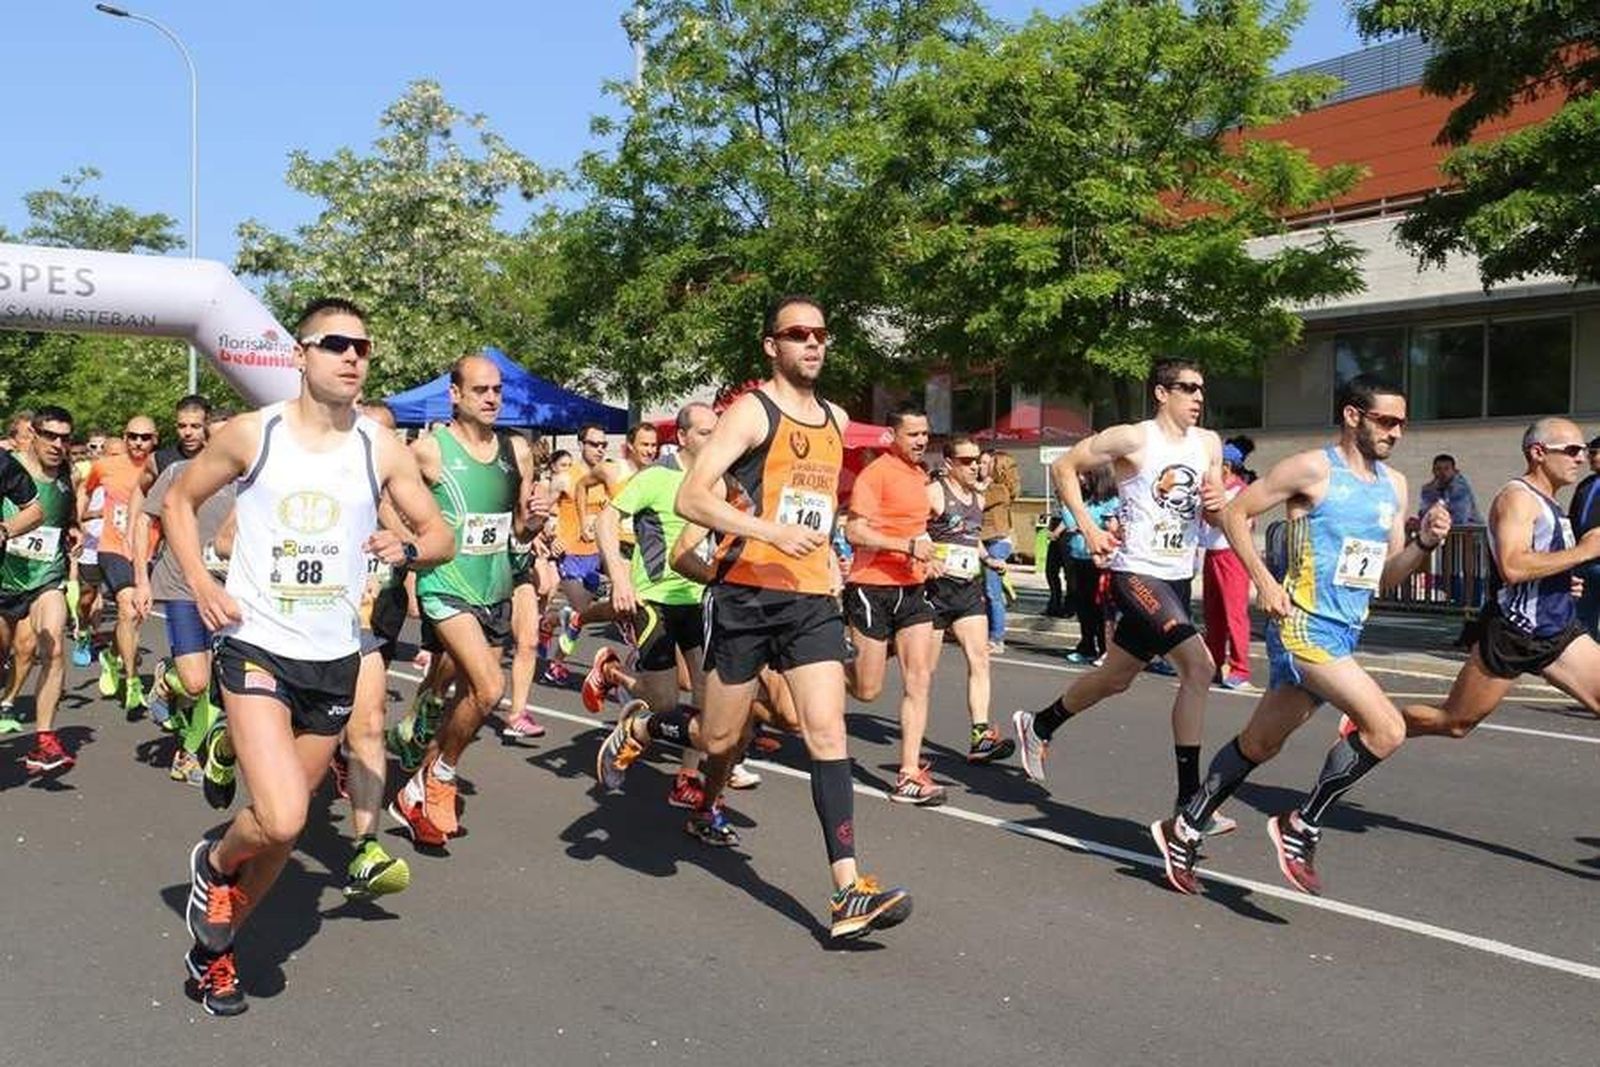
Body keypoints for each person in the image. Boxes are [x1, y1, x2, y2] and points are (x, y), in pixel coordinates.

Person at [163, 297, 451, 1016]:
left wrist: (409, 547)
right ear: (300, 353)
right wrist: (200, 583)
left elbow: (440, 531)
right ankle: (212, 861)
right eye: (335, 344)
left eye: (362, 346)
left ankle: (213, 956)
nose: (352, 356)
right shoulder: (251, 433)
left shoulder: (379, 445)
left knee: (281, 840)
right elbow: (177, 501)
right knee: (286, 815)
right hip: (259, 643)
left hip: (335, 657)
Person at [1149, 375, 1450, 896]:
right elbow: (1236, 514)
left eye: (1402, 422)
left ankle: (1185, 826)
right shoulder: (1313, 468)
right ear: (1353, 416)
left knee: (1260, 743)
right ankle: (1300, 825)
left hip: (1345, 630)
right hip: (1304, 625)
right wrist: (1263, 581)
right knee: (1386, 729)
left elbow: (1387, 577)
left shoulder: (1395, 486)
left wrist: (1423, 544)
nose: (1396, 432)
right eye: (1386, 420)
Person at [675, 293, 912, 941]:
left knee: (827, 731)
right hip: (745, 594)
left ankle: (847, 890)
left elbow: (815, 504)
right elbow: (691, 496)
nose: (813, 343)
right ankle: (656, 733)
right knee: (719, 738)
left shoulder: (835, 418)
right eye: (797, 333)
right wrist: (765, 531)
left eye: (820, 333)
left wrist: (829, 562)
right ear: (771, 346)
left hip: (809, 598)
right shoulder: (751, 412)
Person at [1013, 359, 1228, 824]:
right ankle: (1190, 806)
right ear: (1161, 393)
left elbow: (1210, 517)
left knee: (1116, 678)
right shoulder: (1134, 438)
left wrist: (1218, 505)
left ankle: (1039, 724)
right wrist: (1088, 530)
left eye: (1201, 389)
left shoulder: (1209, 444)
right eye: (1187, 388)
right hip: (1137, 575)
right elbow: (1066, 468)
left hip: (1175, 577)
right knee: (1199, 665)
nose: (1197, 398)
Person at [389, 353, 538, 850]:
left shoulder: (515, 451)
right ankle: (441, 776)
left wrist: (535, 520)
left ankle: (419, 783)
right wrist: (411, 552)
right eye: (481, 390)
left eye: (497, 390)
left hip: (494, 585)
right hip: (445, 584)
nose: (492, 398)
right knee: (490, 688)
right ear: (455, 394)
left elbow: (518, 528)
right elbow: (386, 499)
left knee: (466, 695)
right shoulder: (430, 450)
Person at [1399, 419, 1600, 741]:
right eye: (1573, 450)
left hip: (1558, 629)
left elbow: (1539, 562)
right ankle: (1376, 722)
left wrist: (1563, 580)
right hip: (1515, 632)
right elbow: (1513, 566)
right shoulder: (1518, 498)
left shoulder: (1551, 502)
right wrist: (1584, 551)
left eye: (1584, 451)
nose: (1581, 458)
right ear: (1538, 452)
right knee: (1454, 722)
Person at [841, 403, 947, 804]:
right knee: (866, 690)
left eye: (924, 434)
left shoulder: (919, 476)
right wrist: (907, 546)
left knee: (919, 678)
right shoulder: (876, 473)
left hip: (913, 589)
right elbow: (854, 530)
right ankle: (818, 671)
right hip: (871, 586)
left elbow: (916, 531)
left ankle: (908, 772)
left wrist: (928, 557)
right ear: (893, 436)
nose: (921, 441)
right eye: (913, 434)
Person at [132, 419, 234, 786]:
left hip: (231, 591)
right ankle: (167, 678)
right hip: (182, 587)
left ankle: (187, 755)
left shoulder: (254, 482)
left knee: (218, 683)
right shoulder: (180, 472)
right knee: (194, 682)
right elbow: (145, 519)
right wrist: (141, 580)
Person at [925, 433, 1015, 764]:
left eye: (977, 460)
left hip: (965, 590)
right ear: (949, 463)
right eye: (966, 461)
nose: (974, 466)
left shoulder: (978, 498)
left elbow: (969, 537)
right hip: (934, 591)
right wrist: (924, 557)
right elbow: (909, 528)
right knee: (923, 672)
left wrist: (988, 559)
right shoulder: (934, 493)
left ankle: (980, 737)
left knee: (980, 659)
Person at [0, 408, 76, 769]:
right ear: (33, 433)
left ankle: (44, 740)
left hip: (45, 578)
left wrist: (73, 531)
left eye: (65, 438)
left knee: (54, 648)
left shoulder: (66, 476)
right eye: (51, 436)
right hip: (4, 580)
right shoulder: (8, 465)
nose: (58, 445)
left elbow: (65, 517)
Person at [80, 414, 158, 713]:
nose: (138, 442)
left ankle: (112, 657)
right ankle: (133, 679)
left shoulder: (161, 467)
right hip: (113, 547)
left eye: (145, 437)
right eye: (133, 436)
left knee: (134, 617)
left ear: (155, 440)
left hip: (147, 551)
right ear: (124, 438)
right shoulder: (105, 465)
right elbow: (84, 490)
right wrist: (78, 523)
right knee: (127, 607)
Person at [542, 423, 612, 680]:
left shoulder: (607, 477)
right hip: (570, 553)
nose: (600, 449)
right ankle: (556, 663)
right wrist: (550, 534)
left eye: (604, 444)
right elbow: (543, 511)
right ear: (581, 444)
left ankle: (548, 621)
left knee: (581, 614)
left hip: (596, 554)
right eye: (595, 444)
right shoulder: (565, 478)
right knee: (581, 613)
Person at [1202, 441, 1253, 689]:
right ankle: (1214, 664)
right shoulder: (1211, 489)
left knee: (1234, 615)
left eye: (1215, 464)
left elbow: (1244, 525)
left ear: (1227, 467)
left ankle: (1240, 669)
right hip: (1211, 555)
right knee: (1213, 615)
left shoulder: (1241, 492)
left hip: (1233, 556)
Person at [1059, 465, 1118, 665]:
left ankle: (1105, 647)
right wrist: (1091, 527)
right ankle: (1086, 645)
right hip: (1077, 556)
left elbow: (1112, 527)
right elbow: (1070, 522)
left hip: (1100, 561)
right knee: (1082, 604)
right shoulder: (1075, 500)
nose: (1081, 479)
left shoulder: (1110, 501)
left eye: (1084, 475)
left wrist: (1087, 527)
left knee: (1100, 606)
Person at [979, 450, 1018, 653]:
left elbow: (977, 503)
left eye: (987, 463)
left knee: (992, 593)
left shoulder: (998, 489)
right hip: (988, 542)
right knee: (987, 592)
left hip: (996, 542)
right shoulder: (990, 487)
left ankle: (996, 638)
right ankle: (988, 633)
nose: (980, 466)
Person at [1568, 435, 1600, 640]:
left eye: (1595, 453)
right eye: (1591, 453)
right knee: (1583, 617)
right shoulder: (1586, 485)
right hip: (1584, 561)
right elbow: (1573, 518)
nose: (1590, 457)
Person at [153, 394, 211, 474]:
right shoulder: (160, 459)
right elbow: (141, 486)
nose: (187, 433)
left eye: (195, 426)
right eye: (182, 426)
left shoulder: (220, 458)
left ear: (207, 425)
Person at [1418, 453, 1482, 526]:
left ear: (1455, 471)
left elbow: (1459, 518)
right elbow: (1424, 513)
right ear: (1433, 471)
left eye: (1446, 469)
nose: (1442, 473)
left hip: (1469, 529)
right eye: (1438, 469)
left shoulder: (1462, 489)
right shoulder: (1428, 489)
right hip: (1441, 528)